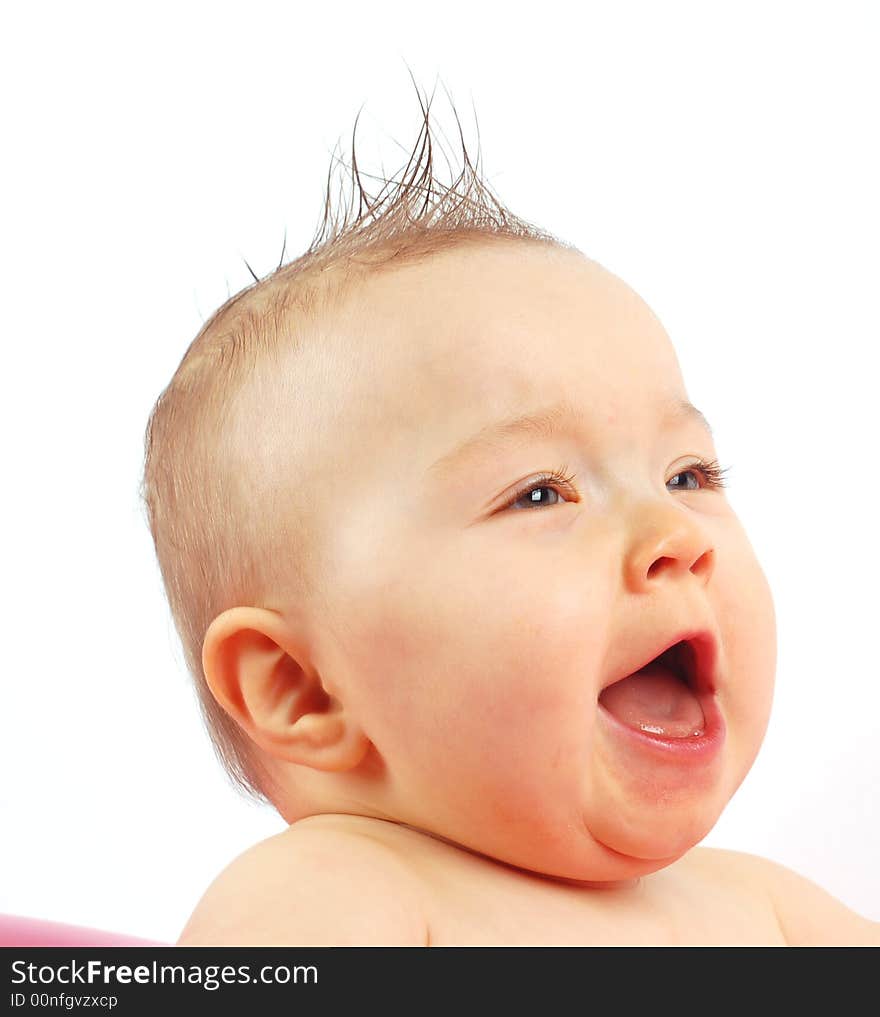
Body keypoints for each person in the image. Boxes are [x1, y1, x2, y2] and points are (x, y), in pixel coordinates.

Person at [142, 90, 879, 946]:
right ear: (302, 686)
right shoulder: (330, 893)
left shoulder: (765, 909)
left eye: (689, 472)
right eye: (540, 492)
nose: (677, 537)